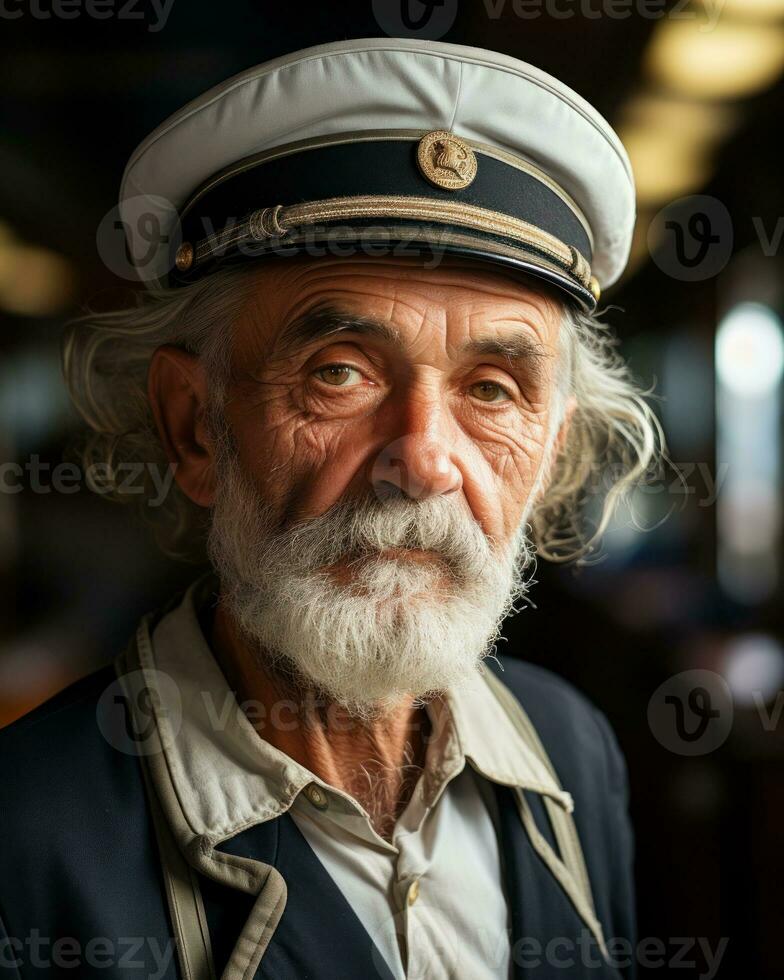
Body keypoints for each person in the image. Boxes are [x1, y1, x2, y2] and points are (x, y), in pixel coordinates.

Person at [0, 38, 660, 979]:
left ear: (550, 453)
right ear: (195, 428)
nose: (425, 461)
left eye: (494, 388)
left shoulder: (568, 753)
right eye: (339, 373)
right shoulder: (28, 835)